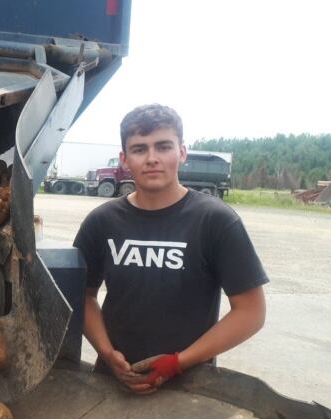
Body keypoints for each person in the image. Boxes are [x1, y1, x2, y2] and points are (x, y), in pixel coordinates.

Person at [73, 104, 267, 394]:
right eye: (139, 149)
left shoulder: (215, 221)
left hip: (190, 387)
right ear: (125, 159)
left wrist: (178, 363)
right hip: (113, 382)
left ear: (182, 152)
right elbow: (84, 295)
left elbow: (251, 312)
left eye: (163, 146)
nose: (152, 159)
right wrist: (105, 352)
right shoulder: (102, 222)